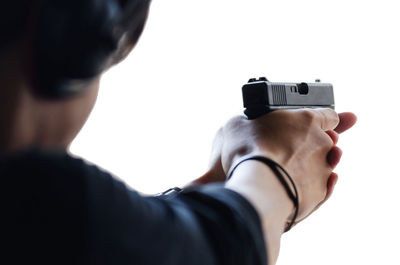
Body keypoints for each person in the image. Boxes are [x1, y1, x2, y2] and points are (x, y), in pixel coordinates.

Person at [0, 1, 357, 265]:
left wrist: (225, 178)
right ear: (75, 44)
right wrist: (280, 171)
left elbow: (137, 244)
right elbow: (222, 252)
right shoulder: (41, 195)